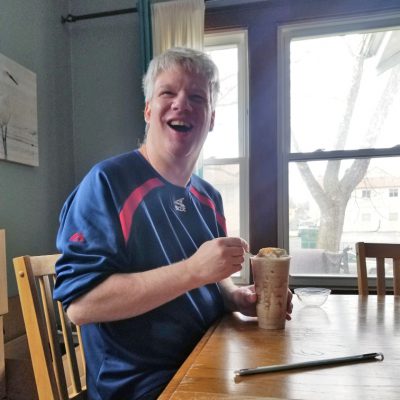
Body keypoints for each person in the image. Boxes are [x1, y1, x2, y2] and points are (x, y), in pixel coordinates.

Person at [53, 47, 293, 400]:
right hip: (140, 386)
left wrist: (236, 298)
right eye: (168, 92)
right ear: (148, 110)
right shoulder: (107, 182)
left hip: (209, 357)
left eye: (197, 96)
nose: (182, 103)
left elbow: (210, 279)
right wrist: (193, 270)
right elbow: (82, 306)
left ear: (211, 118)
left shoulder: (209, 197)